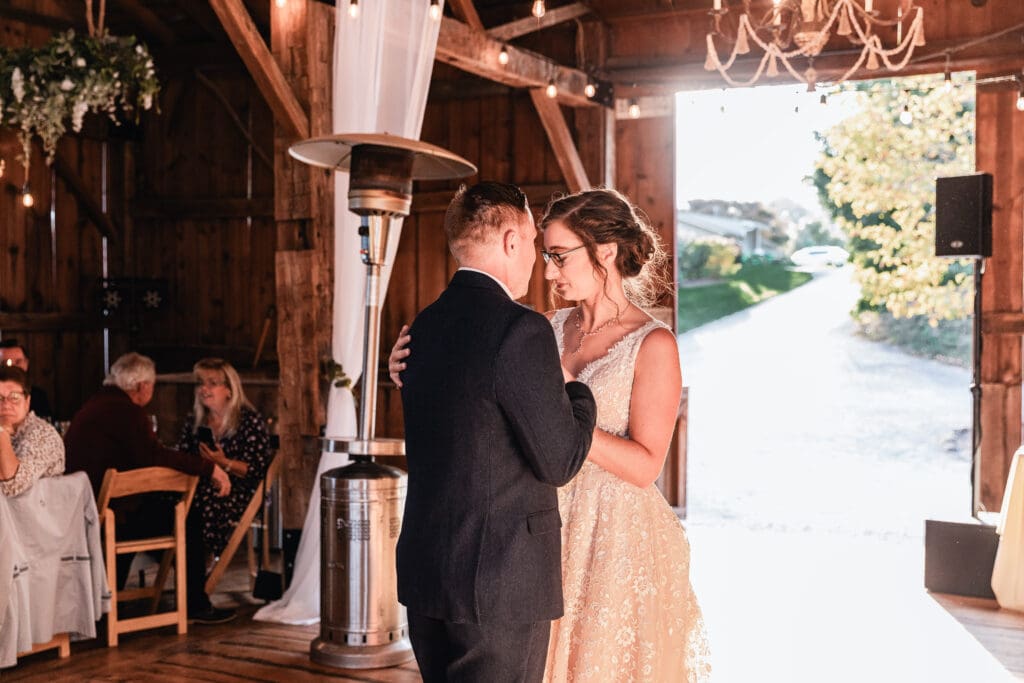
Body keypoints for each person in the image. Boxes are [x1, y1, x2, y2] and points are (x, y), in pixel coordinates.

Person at [391, 188, 711, 682]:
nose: (548, 272)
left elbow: (648, 464)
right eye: (545, 256)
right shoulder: (542, 326)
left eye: (560, 256)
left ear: (604, 252)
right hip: (526, 536)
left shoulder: (654, 343)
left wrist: (562, 414)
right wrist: (411, 368)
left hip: (610, 537)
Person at [396, 181, 598, 683]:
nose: (534, 258)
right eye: (531, 242)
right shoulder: (520, 329)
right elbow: (559, 461)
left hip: (428, 575)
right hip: (498, 584)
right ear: (511, 240)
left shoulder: (422, 326)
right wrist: (578, 392)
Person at [63, 352, 236, 625]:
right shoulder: (127, 412)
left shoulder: (95, 404)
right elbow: (153, 456)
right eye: (152, 386)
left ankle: (108, 602)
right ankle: (195, 604)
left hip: (86, 509)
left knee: (151, 511)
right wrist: (208, 468)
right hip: (110, 515)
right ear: (142, 386)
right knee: (187, 518)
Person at [176, 358, 272, 559]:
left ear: (230, 390)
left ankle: (203, 560)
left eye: (212, 383)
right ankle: (180, 561)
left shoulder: (249, 421)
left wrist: (223, 462)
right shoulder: (195, 420)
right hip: (199, 484)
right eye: (200, 383)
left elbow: (257, 469)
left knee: (203, 500)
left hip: (241, 490)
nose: (204, 388)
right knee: (172, 500)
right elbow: (183, 456)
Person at [0, 366, 64, 497]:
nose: (6, 405)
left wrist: (2, 431)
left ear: (27, 402)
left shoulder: (43, 435)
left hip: (37, 516)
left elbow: (12, 486)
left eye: (14, 397)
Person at [0, 339, 53, 421]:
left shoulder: (38, 395)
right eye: (5, 363)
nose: (13, 368)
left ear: (26, 363)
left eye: (18, 362)